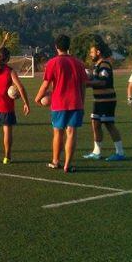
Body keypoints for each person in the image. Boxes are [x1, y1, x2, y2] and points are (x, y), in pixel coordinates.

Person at [34, 34, 87, 173]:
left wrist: (37, 98)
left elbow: (46, 84)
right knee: (71, 133)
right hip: (76, 103)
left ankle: (55, 161)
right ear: (69, 46)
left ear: (56, 46)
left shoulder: (53, 62)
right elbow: (83, 86)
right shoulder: (79, 63)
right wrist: (82, 102)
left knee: (58, 133)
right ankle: (67, 165)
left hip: (59, 103)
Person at [83, 39, 126, 161]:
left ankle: (120, 152)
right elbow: (95, 78)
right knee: (95, 124)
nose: (90, 55)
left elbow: (103, 82)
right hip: (99, 100)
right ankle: (97, 152)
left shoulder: (104, 65)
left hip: (107, 100)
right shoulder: (97, 66)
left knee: (109, 125)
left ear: (98, 52)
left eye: (92, 52)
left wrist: (87, 83)